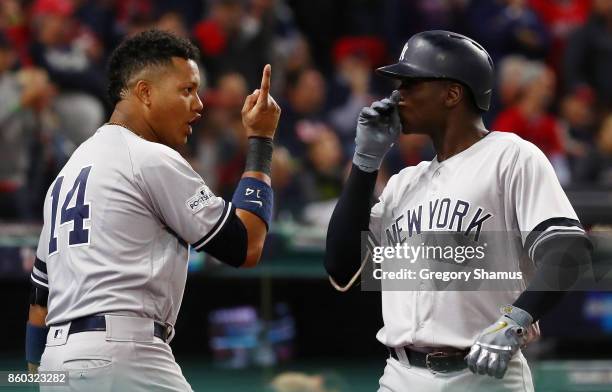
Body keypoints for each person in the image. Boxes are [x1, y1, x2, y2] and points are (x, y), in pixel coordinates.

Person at [324, 30, 591, 392]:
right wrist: (365, 162)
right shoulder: (405, 181)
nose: (396, 96)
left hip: (485, 375)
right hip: (400, 375)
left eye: (411, 84)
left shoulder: (511, 156)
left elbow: (567, 251)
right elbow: (341, 266)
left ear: (452, 93)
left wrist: (515, 319)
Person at [25, 29, 281, 391]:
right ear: (145, 92)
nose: (199, 104)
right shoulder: (148, 157)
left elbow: (40, 299)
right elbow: (245, 246)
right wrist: (261, 141)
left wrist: (41, 375)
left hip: (59, 361)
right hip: (125, 355)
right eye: (186, 90)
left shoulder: (65, 176)